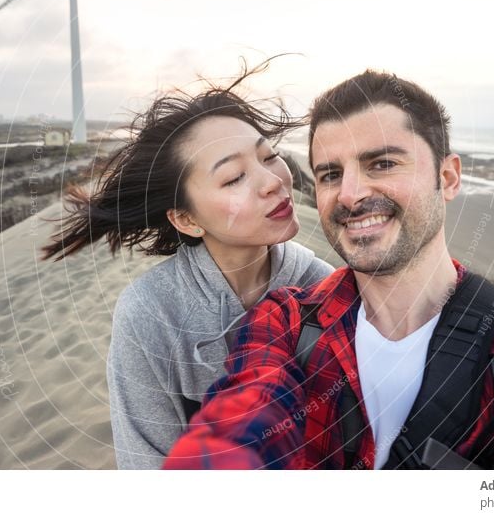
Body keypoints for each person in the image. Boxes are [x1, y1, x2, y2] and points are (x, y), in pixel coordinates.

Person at [163, 69, 494, 470]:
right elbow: (240, 428)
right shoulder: (285, 325)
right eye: (330, 174)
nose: (349, 194)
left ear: (447, 177)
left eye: (383, 163)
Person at [40, 62, 333, 469]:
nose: (273, 181)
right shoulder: (152, 312)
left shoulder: (323, 288)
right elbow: (145, 464)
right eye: (233, 178)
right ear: (187, 219)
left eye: (271, 156)